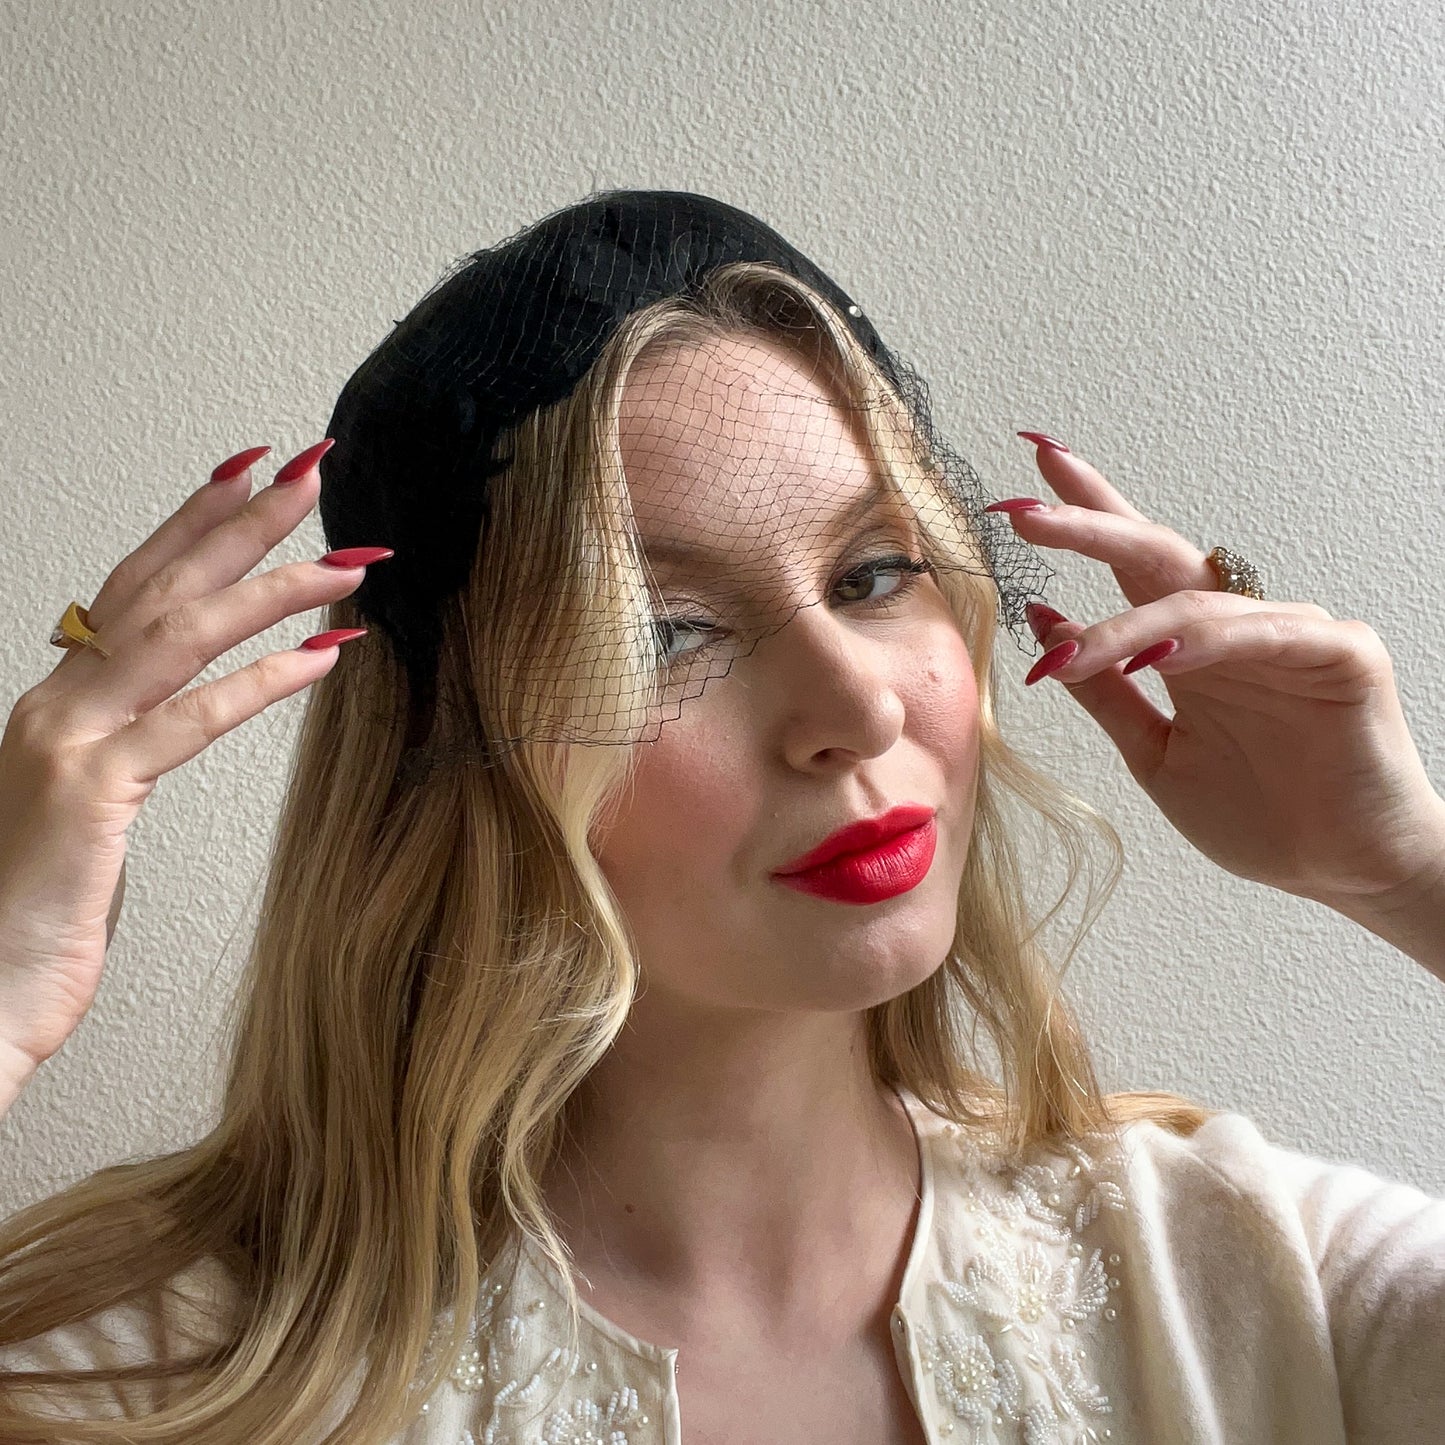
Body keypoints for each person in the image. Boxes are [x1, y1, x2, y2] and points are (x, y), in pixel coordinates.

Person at [0, 189, 1441, 1445]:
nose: (857, 708)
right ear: (455, 751)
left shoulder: (1257, 1280)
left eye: (873, 574)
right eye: (667, 630)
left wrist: (1403, 871)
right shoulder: (161, 1375)